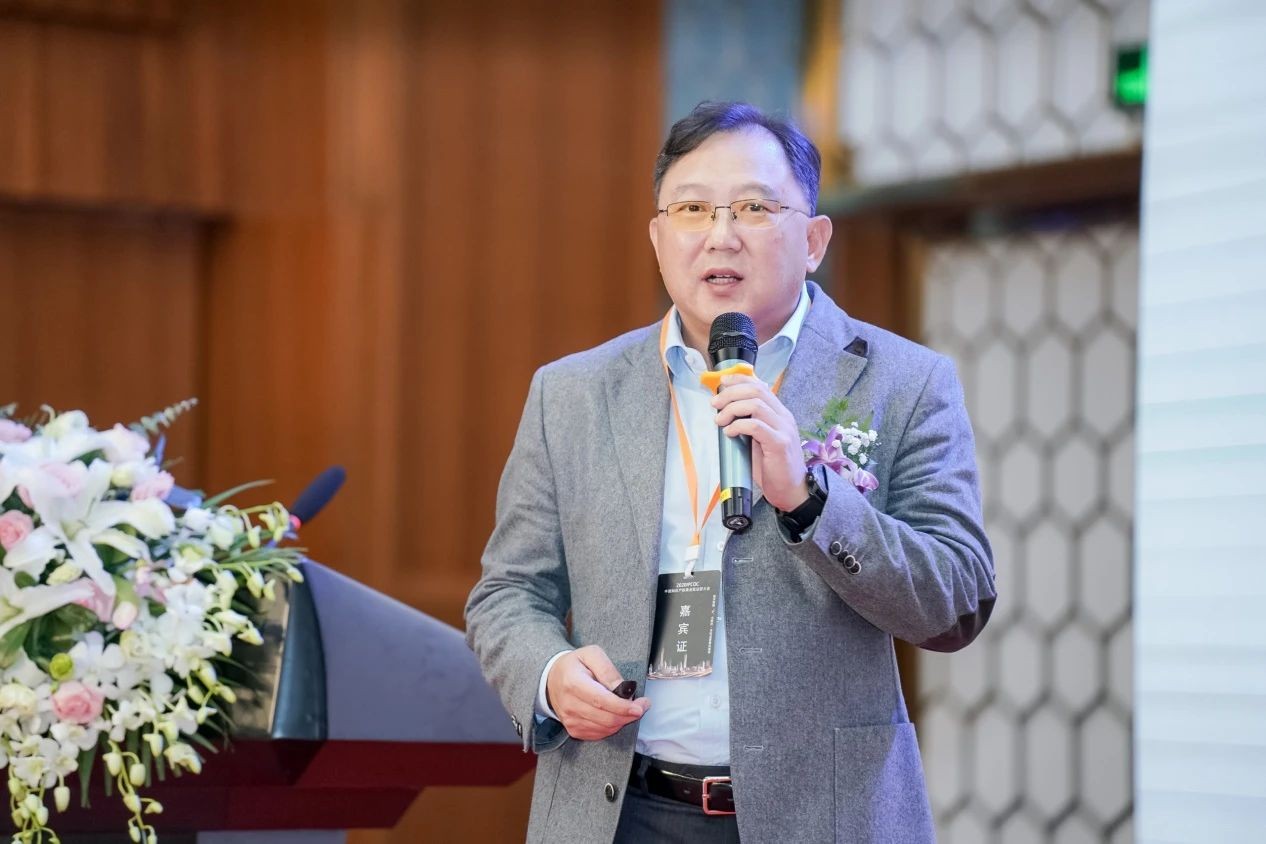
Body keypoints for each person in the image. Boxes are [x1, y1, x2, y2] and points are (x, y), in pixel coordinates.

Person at [465, 101, 995, 844]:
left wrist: (810, 501)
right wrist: (548, 674)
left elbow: (957, 600)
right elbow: (508, 593)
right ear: (658, 238)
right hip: (619, 810)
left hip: (822, 817)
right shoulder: (573, 393)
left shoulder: (904, 382)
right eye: (692, 209)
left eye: (753, 207)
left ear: (814, 240)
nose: (721, 235)